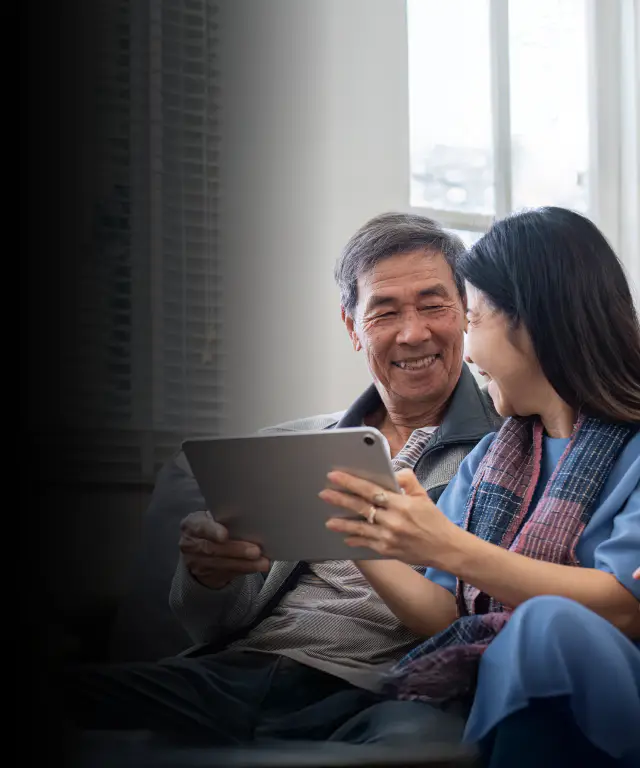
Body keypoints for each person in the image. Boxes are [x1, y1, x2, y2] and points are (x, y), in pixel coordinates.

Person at [64, 212, 500, 747]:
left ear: (466, 313)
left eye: (433, 306)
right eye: (385, 312)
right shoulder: (290, 446)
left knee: (418, 745)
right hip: (237, 673)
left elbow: (482, 615)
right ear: (353, 328)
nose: (413, 333)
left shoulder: (507, 451)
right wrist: (208, 575)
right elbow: (210, 623)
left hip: (384, 690)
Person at [320, 207, 640, 767]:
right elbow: (447, 615)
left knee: (548, 622)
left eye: (474, 319)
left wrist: (449, 546)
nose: (465, 350)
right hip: (501, 678)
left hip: (614, 685)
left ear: (533, 324)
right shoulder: (492, 458)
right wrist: (357, 535)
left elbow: (623, 609)